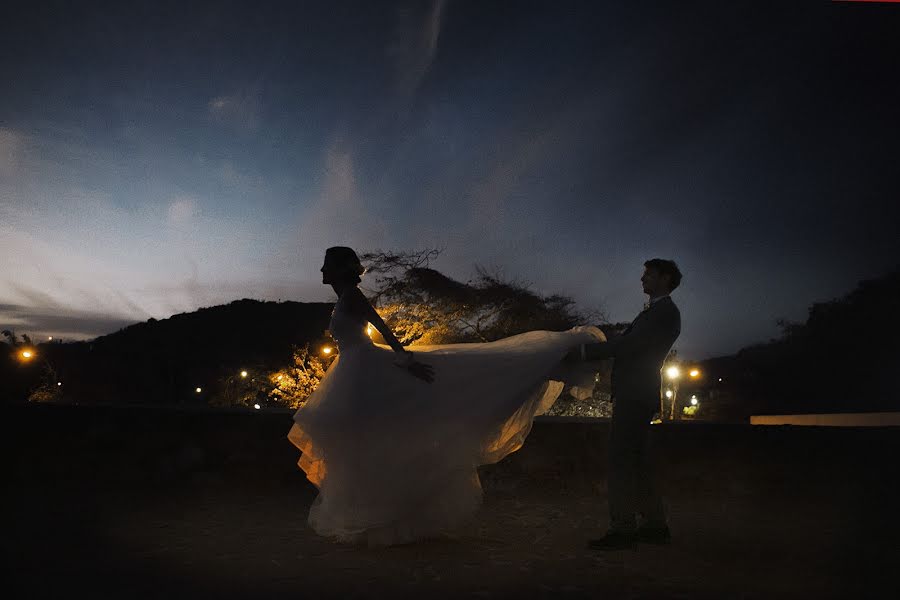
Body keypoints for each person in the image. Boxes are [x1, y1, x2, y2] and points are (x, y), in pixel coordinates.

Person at [287, 246, 605, 546]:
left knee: (375, 439)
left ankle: (384, 517)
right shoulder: (344, 297)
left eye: (326, 265)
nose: (321, 270)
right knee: (360, 443)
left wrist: (406, 361)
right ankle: (369, 515)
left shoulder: (353, 297)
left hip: (365, 369)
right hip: (354, 370)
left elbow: (383, 329)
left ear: (339, 270)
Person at [573, 258, 682, 550]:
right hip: (638, 393)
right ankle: (655, 525)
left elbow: (628, 346)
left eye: (649, 275)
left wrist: (584, 353)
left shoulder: (664, 313)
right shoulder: (657, 312)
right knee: (639, 461)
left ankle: (623, 528)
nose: (642, 279)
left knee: (621, 461)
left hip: (636, 394)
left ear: (665, 278)